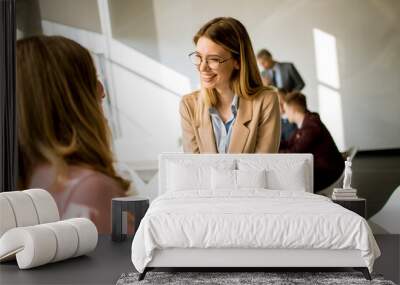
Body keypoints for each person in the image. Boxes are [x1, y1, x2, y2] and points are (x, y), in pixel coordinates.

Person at [16, 35, 130, 233]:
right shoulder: (92, 189)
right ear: (69, 102)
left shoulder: (26, 182)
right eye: (88, 77)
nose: (101, 89)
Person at [180, 17, 281, 154]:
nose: (202, 67)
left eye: (214, 59)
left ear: (238, 62)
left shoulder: (266, 102)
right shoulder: (189, 105)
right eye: (199, 57)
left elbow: (260, 168)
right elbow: (195, 171)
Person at [279, 92, 344, 192]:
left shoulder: (311, 126)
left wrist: (274, 153)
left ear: (293, 109)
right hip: (323, 170)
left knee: (287, 181)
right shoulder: (306, 122)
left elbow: (295, 153)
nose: (285, 113)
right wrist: (274, 145)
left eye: (286, 109)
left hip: (326, 173)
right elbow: (289, 143)